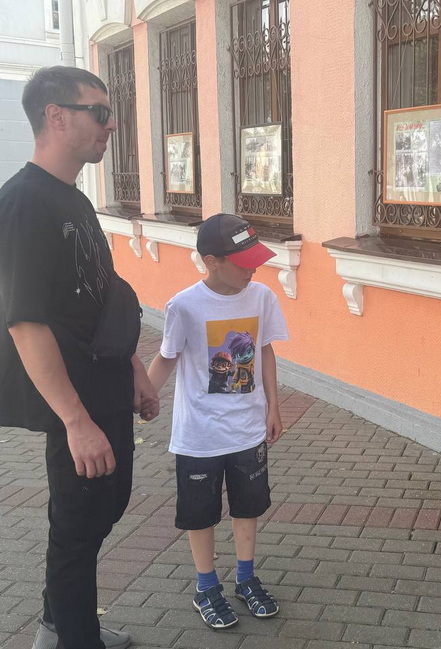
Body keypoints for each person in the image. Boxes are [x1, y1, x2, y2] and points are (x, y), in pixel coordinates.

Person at [0, 66, 159, 649]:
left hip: (107, 382)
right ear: (56, 116)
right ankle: (72, 637)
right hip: (78, 401)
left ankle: (58, 625)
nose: (111, 124)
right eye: (99, 111)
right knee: (78, 522)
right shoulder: (21, 204)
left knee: (102, 509)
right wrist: (74, 420)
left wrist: (136, 367)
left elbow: (104, 292)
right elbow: (24, 322)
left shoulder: (73, 199)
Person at [146, 213, 288, 630]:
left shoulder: (261, 297)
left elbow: (264, 352)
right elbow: (166, 358)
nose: (253, 270)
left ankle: (246, 577)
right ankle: (206, 586)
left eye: (255, 261)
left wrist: (273, 406)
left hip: (247, 430)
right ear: (211, 261)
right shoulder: (185, 306)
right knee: (200, 513)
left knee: (248, 507)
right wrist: (142, 399)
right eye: (244, 263)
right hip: (199, 436)